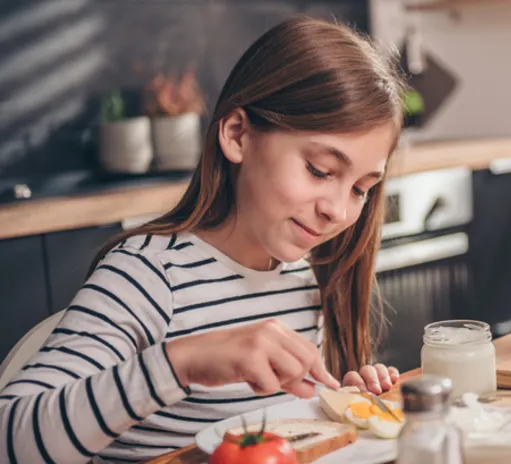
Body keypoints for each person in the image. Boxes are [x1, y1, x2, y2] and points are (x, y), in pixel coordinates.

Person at [0, 15, 407, 463]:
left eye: (359, 189)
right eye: (319, 170)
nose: (338, 210)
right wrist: (182, 361)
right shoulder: (148, 274)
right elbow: (9, 439)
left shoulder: (302, 280)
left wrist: (335, 410)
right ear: (237, 135)